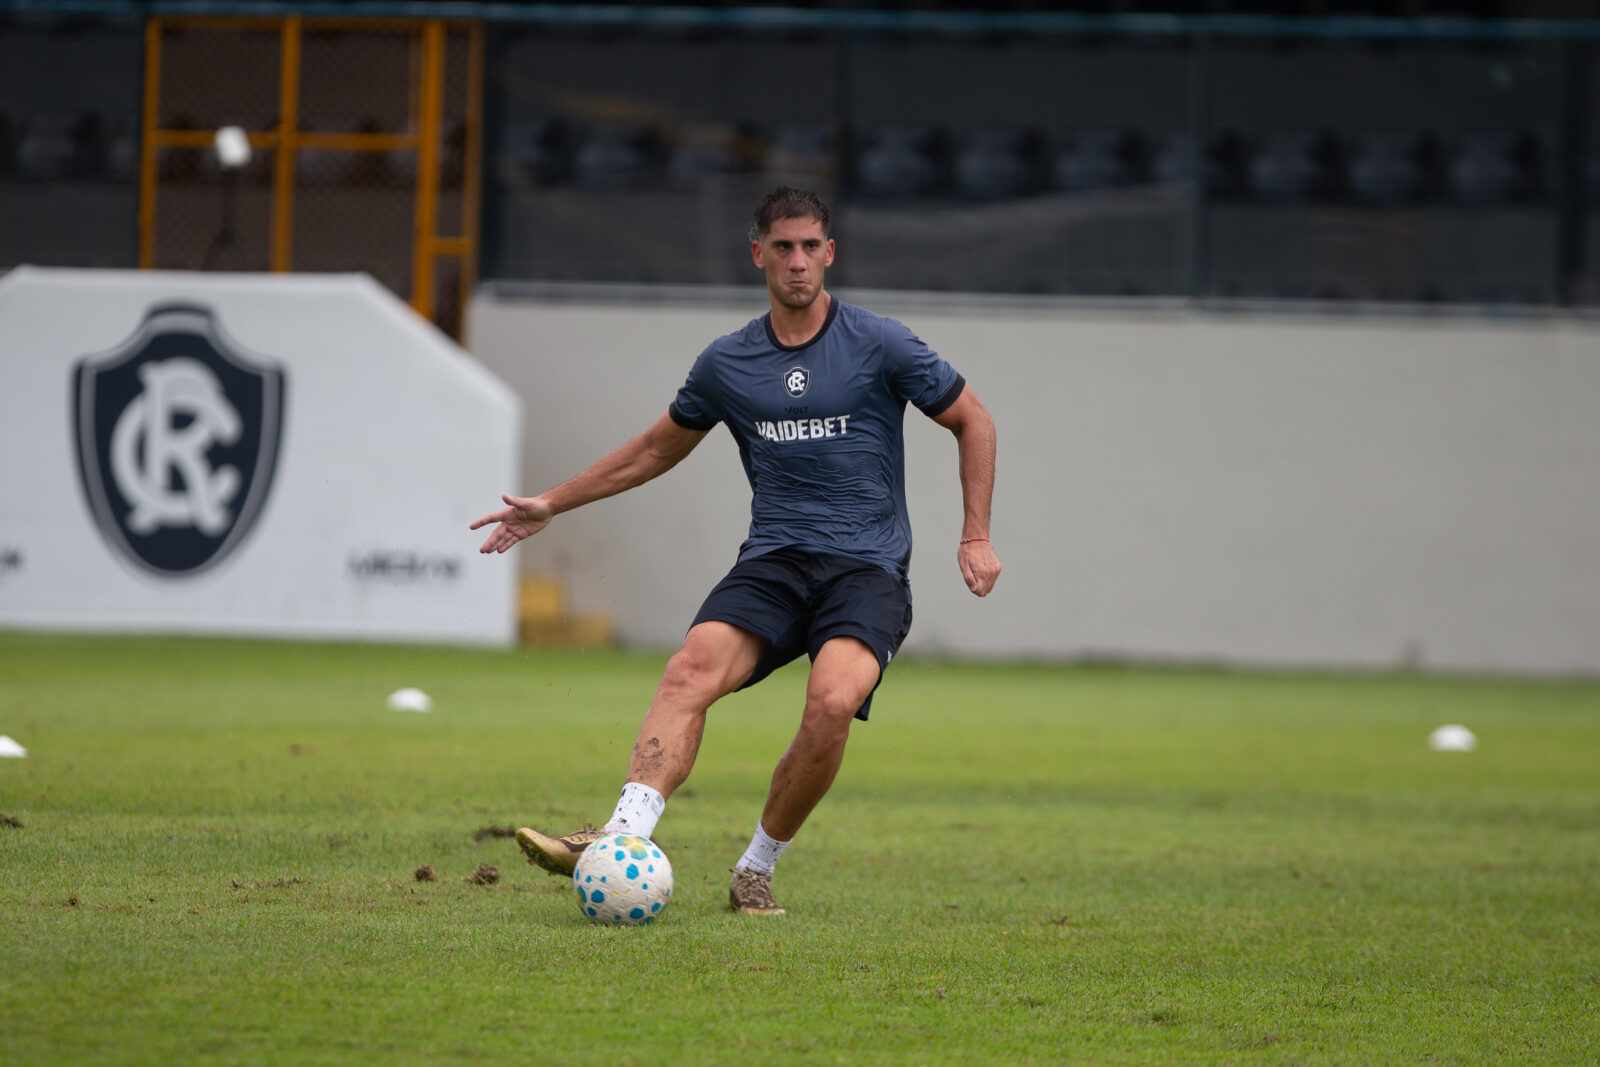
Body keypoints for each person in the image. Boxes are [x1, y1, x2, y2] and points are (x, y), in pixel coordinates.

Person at [471, 186, 1000, 916]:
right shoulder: (728, 362)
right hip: (776, 562)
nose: (797, 261)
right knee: (688, 669)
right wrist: (552, 503)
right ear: (758, 253)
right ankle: (616, 837)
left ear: (830, 253)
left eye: (811, 246)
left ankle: (756, 865)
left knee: (832, 702)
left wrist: (974, 533)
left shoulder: (881, 343)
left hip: (866, 569)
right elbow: (655, 449)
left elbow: (973, 419)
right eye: (782, 247)